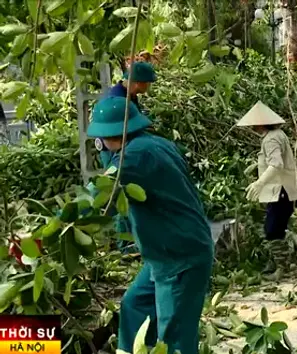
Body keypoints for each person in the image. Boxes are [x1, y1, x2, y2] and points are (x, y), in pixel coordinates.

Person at [87, 96, 213, 354]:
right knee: (135, 306)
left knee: (174, 337)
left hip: (180, 256)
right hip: (164, 254)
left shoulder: (134, 157)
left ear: (109, 135)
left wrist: (47, 231)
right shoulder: (154, 144)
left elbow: (99, 197)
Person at [238, 101, 297, 280]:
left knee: (272, 230)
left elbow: (276, 164)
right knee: (278, 228)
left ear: (259, 123)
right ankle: (285, 263)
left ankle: (282, 268)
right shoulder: (277, 134)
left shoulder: (271, 138)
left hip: (281, 190)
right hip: (285, 189)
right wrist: (258, 165)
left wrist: (259, 183)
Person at [100, 61, 157, 253]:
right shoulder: (116, 99)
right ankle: (124, 246)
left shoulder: (130, 96)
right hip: (114, 151)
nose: (148, 87)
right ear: (138, 82)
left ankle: (130, 241)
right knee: (119, 192)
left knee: (131, 194)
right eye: (147, 83)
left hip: (126, 148)